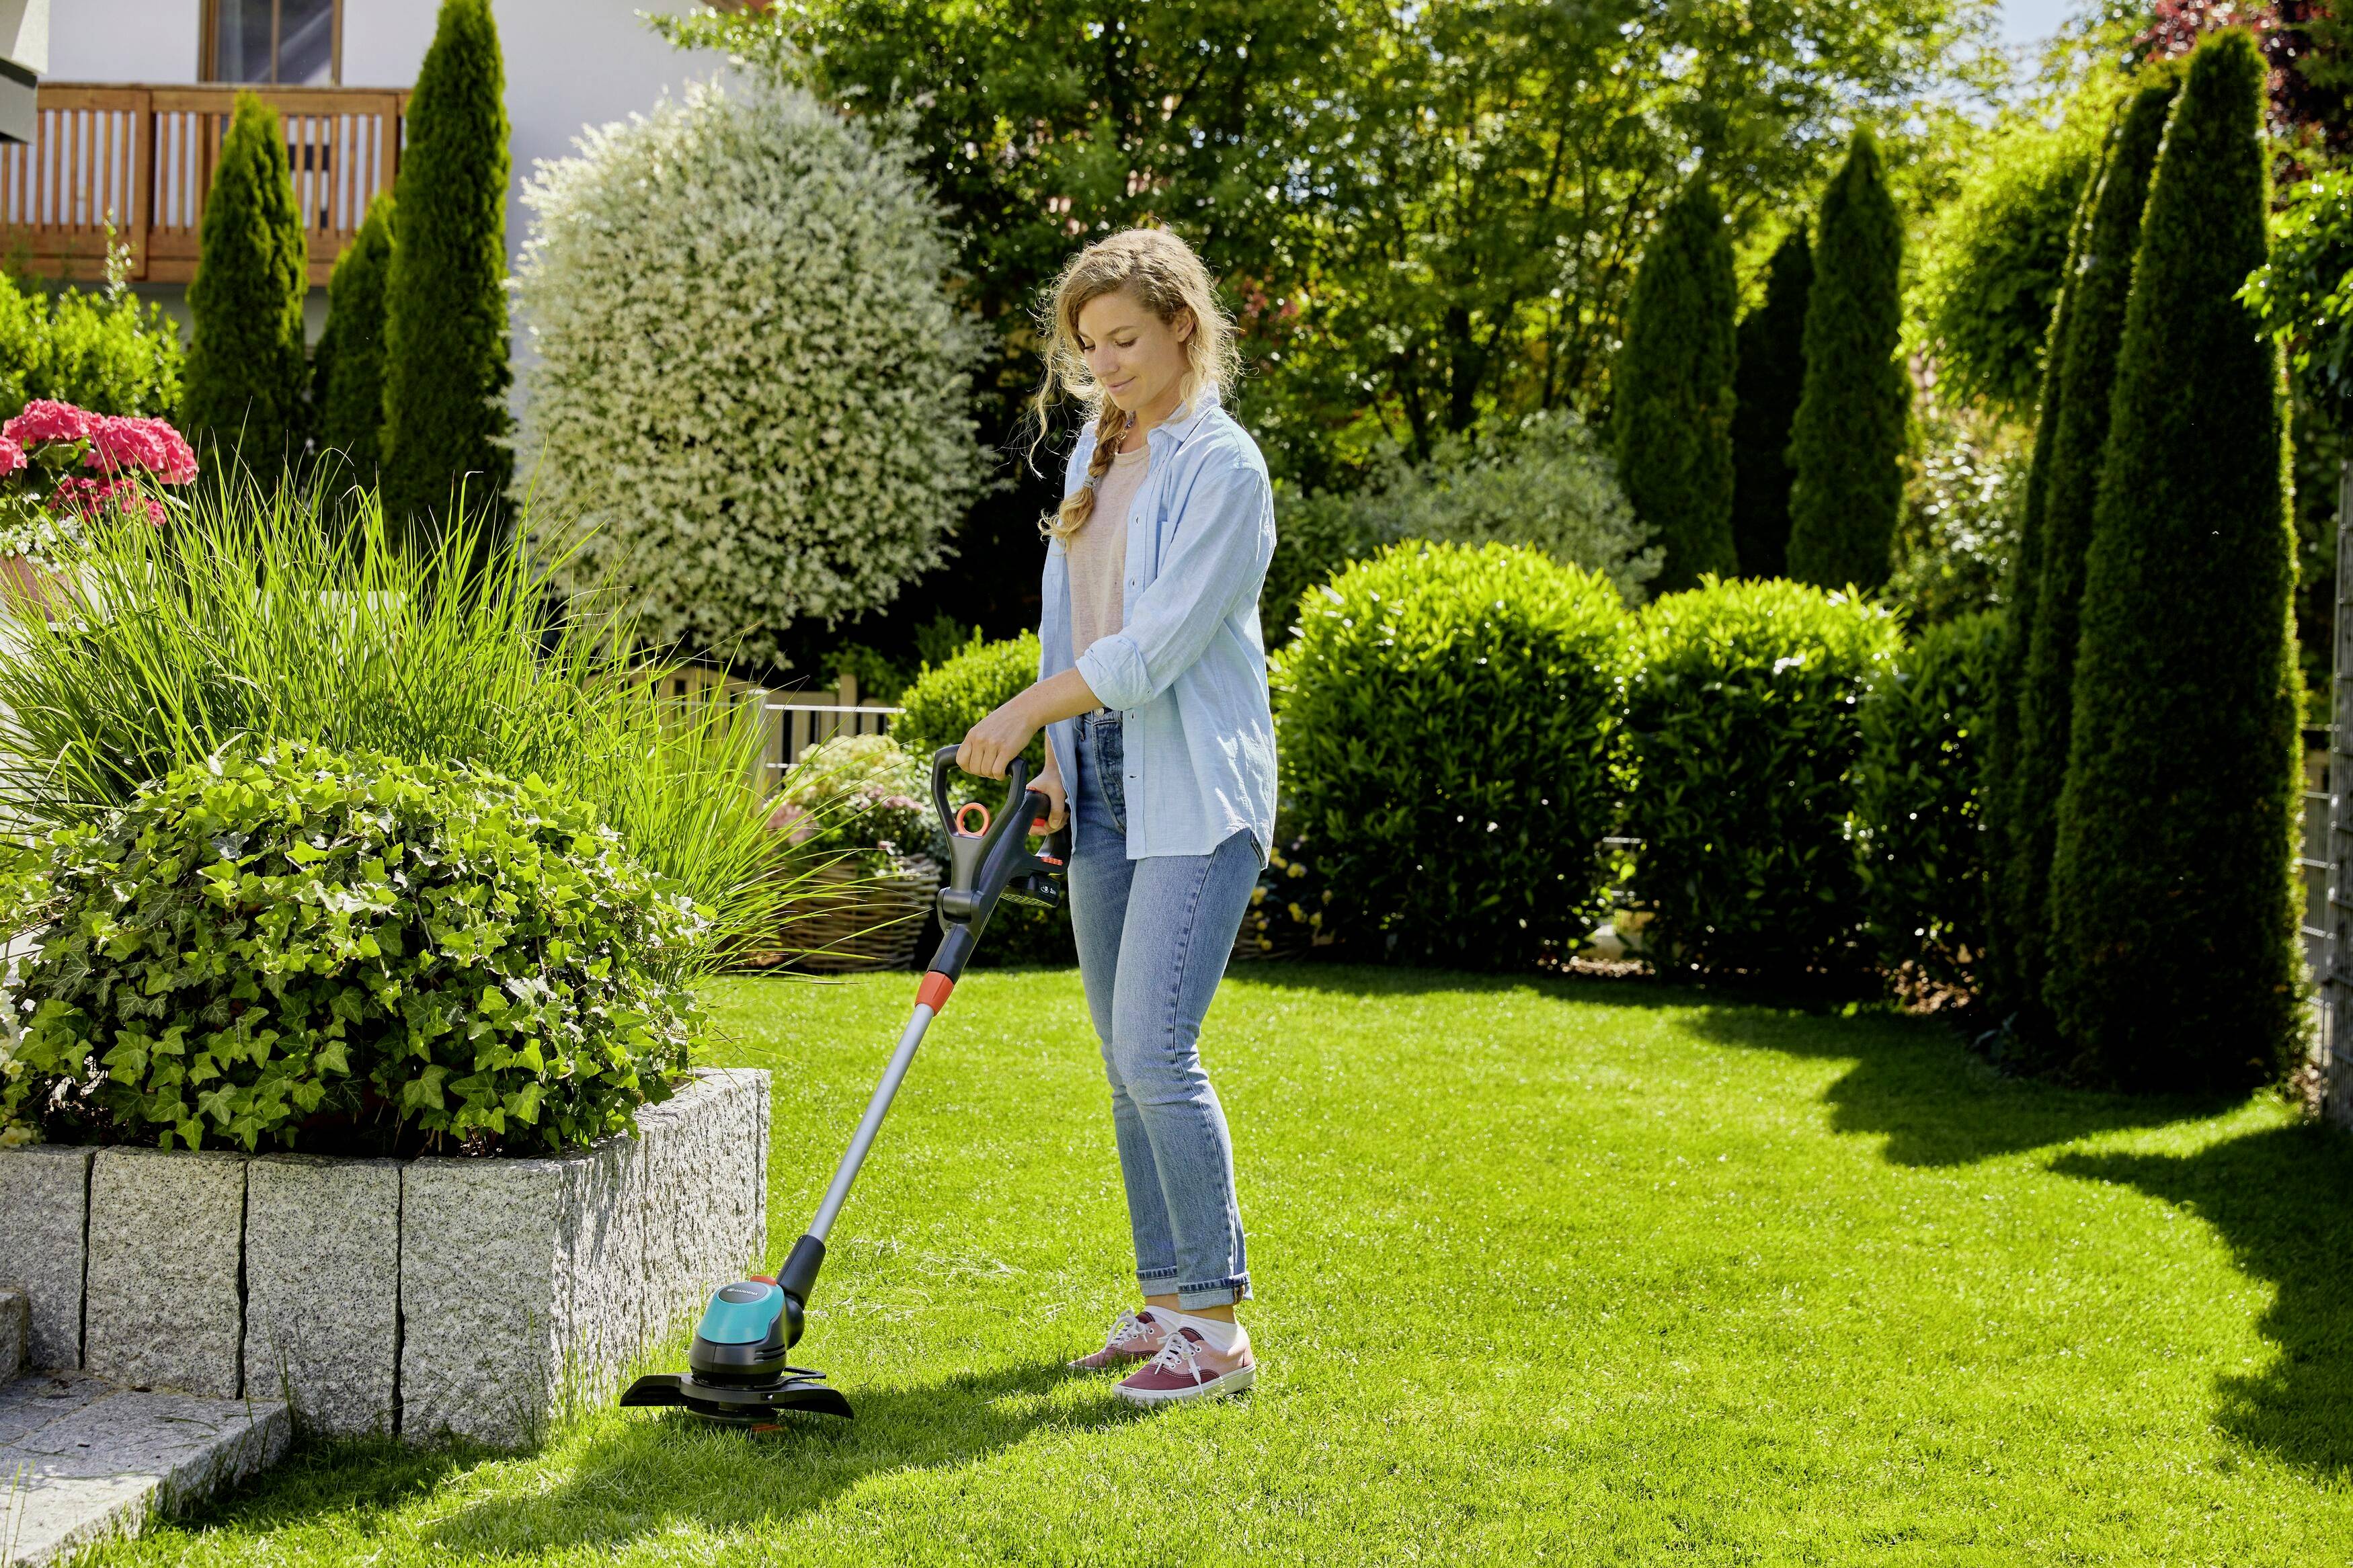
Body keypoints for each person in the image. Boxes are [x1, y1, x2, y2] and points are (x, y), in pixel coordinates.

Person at [954, 227, 1275, 1407]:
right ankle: (1167, 1302)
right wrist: (1051, 751)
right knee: (1122, 1064)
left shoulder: (1225, 469)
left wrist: (1030, 704)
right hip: (1096, 770)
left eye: (1126, 339)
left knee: (1158, 1050)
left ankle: (1221, 1331)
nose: (1106, 365)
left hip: (1193, 779)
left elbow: (1152, 650)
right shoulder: (1101, 441)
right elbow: (1074, 621)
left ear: (1184, 326)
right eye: (1089, 347)